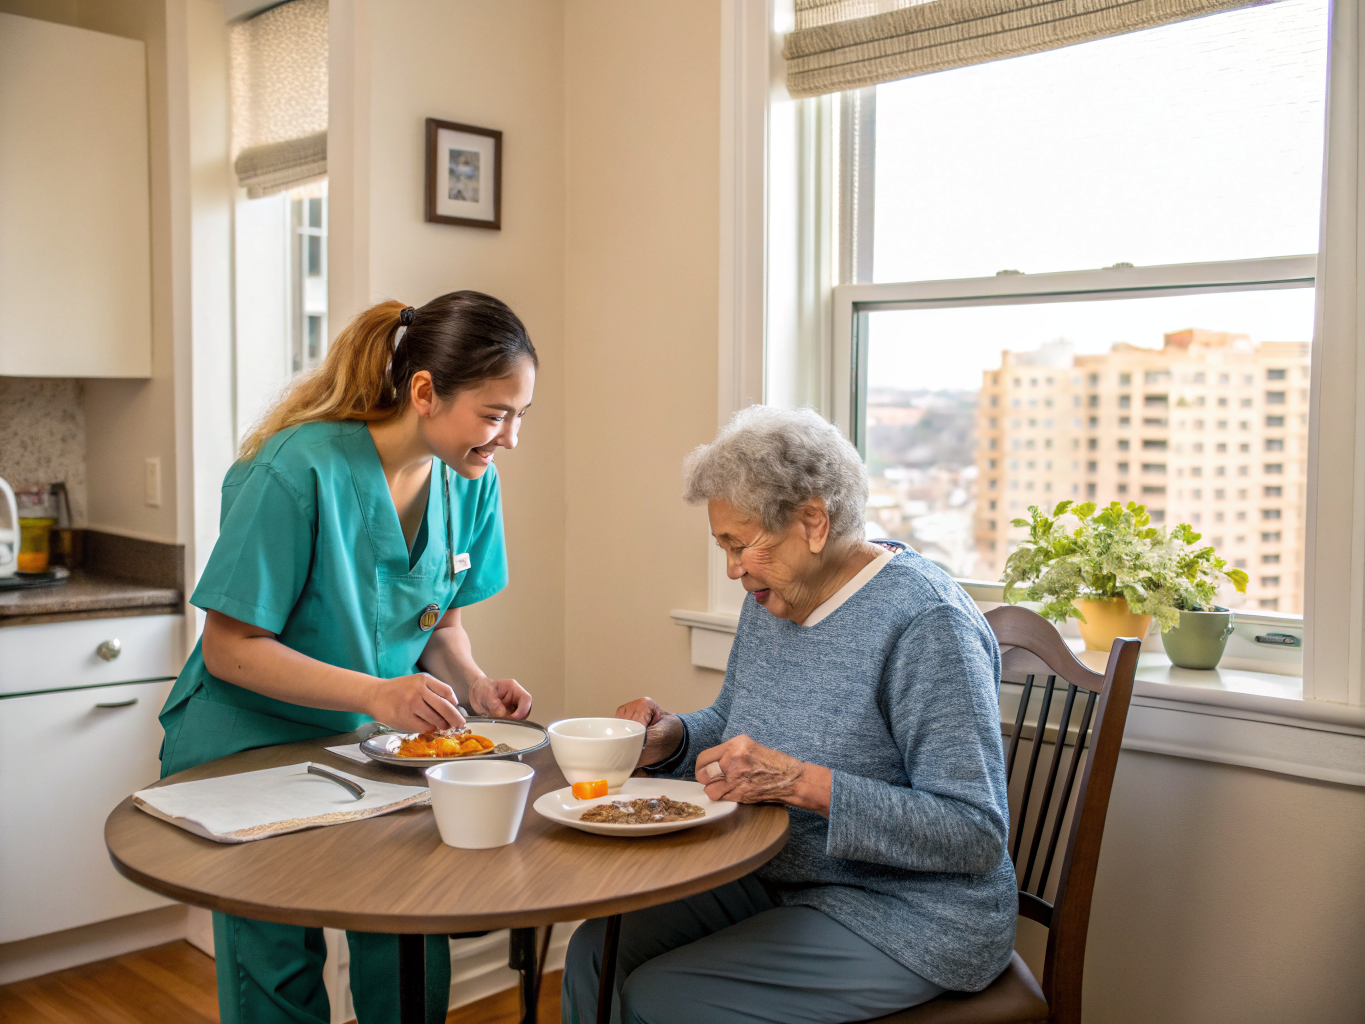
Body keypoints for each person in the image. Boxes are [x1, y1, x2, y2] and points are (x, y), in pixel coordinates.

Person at [562, 406, 1016, 1024]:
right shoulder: (775, 593)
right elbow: (735, 723)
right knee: (595, 949)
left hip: (910, 916)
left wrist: (802, 784)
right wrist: (672, 740)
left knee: (662, 997)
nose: (732, 569)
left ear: (812, 522)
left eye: (741, 545)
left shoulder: (926, 624)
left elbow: (974, 833)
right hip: (777, 876)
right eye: (722, 546)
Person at [158, 291, 537, 1024]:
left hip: (368, 747)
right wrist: (377, 694)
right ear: (424, 392)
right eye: (495, 414)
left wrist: (475, 684)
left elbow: (436, 624)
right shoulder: (296, 470)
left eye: (519, 415)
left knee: (407, 935)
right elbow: (230, 649)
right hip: (248, 743)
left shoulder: (471, 480)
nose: (509, 438)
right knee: (277, 969)